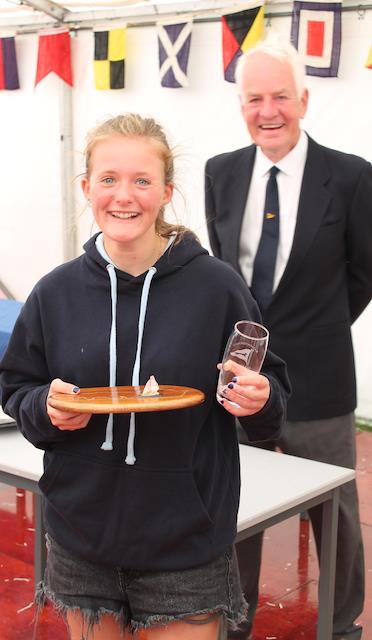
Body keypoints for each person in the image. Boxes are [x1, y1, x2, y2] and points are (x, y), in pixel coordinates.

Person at [0, 113, 289, 640]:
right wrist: (45, 406)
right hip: (80, 534)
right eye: (108, 179)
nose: (123, 195)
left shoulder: (217, 288)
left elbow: (268, 394)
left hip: (186, 539)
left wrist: (258, 399)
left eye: (141, 180)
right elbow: (17, 389)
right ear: (86, 187)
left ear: (167, 191)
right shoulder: (54, 292)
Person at [205, 37, 372, 640]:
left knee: (336, 513)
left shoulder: (352, 177)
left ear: (303, 99)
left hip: (322, 378)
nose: (268, 110)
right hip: (241, 379)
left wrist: (316, 328)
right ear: (241, 105)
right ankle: (235, 618)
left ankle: (343, 623)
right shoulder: (220, 173)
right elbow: (224, 275)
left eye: (281, 96)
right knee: (238, 503)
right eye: (255, 98)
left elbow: (363, 274)